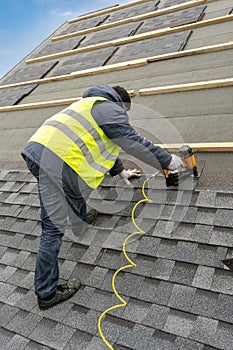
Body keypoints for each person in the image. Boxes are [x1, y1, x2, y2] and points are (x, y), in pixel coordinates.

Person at [21, 84, 183, 309]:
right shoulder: (110, 108)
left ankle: (78, 221)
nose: (123, 116)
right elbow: (131, 140)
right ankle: (46, 293)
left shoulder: (88, 105)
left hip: (37, 154)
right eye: (124, 112)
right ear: (121, 104)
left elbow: (106, 141)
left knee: (69, 193)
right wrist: (167, 160)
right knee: (52, 229)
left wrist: (121, 171)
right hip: (60, 164)